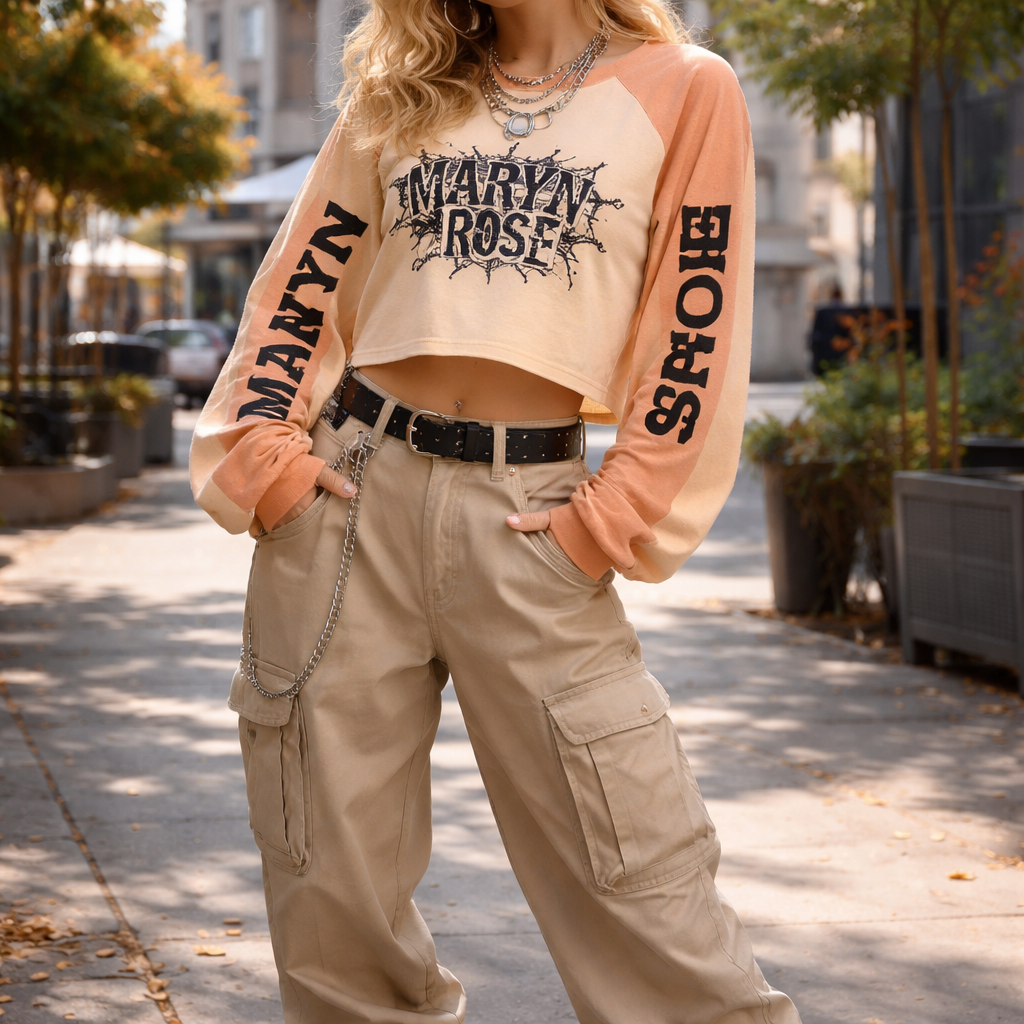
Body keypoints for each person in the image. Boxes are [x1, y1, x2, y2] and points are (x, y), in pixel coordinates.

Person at [190, 1, 801, 1021]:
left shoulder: (686, 88)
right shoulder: (398, 91)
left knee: (641, 877)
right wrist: (269, 461)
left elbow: (693, 328)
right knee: (330, 900)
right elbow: (298, 289)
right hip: (347, 506)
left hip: (532, 520)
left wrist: (602, 524)